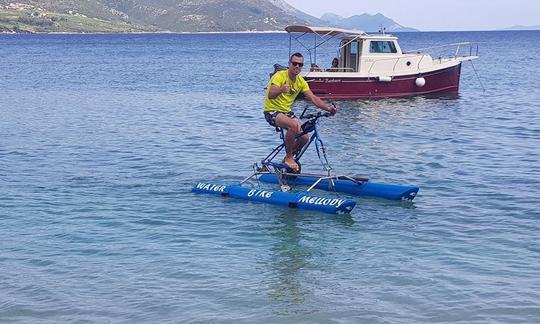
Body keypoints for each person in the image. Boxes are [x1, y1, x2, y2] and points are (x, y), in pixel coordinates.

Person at [264, 52, 337, 172]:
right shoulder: (280, 76)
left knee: (304, 138)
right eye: (294, 63)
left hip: (287, 112)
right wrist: (281, 89)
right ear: (289, 64)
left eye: (300, 64)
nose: (297, 66)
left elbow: (313, 98)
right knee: (293, 125)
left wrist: (328, 109)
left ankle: (286, 161)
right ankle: (288, 158)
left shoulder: (301, 82)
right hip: (272, 112)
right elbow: (271, 94)